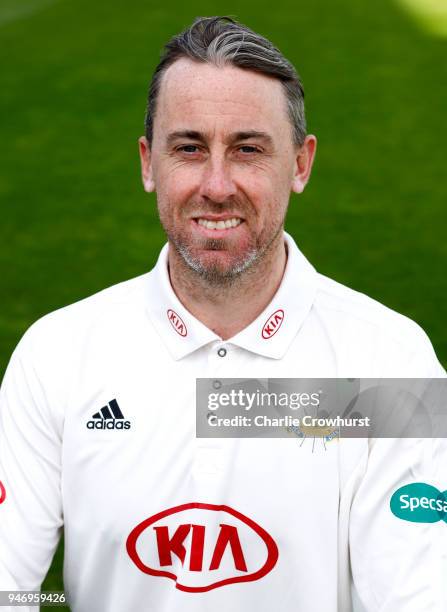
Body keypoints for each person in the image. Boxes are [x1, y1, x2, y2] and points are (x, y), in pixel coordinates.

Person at [0, 15, 445, 612]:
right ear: (148, 163)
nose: (215, 185)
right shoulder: (55, 356)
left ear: (301, 164)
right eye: (188, 148)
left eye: (248, 149)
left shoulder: (390, 363)